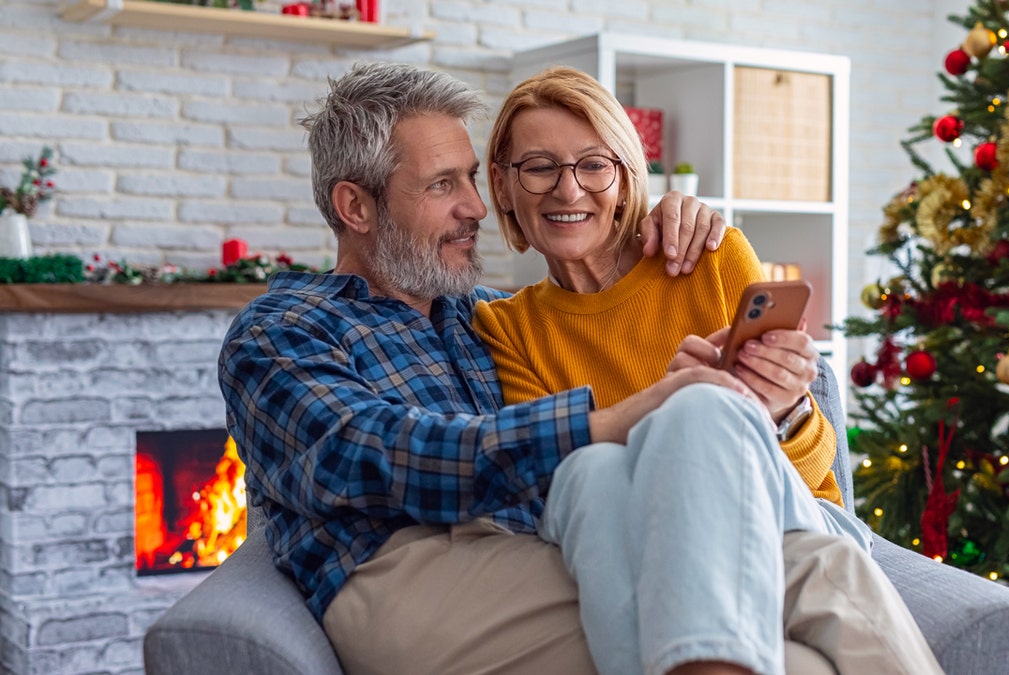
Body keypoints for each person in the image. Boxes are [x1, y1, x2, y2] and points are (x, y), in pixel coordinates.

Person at [217, 61, 748, 675]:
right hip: (410, 570)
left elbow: (608, 332)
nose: (475, 207)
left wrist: (644, 226)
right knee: (751, 636)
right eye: (442, 185)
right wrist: (599, 425)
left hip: (544, 549)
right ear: (355, 206)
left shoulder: (494, 317)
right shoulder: (282, 330)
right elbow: (363, 452)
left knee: (819, 570)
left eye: (471, 178)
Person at [473, 66, 944, 675]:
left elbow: (809, 475)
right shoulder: (508, 326)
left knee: (698, 411)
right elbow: (549, 483)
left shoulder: (706, 258)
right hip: (630, 522)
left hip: (779, 506)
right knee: (589, 470)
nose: (569, 191)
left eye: (593, 164)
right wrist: (668, 399)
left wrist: (781, 410)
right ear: (503, 187)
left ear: (624, 178)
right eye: (539, 167)